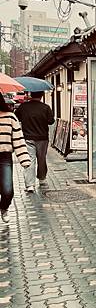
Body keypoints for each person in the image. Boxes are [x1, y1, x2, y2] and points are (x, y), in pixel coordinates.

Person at [0, 92, 31, 223]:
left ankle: (4, 207)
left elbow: (18, 139)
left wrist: (24, 158)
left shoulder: (10, 117)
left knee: (7, 191)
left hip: (4, 157)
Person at [15, 91, 54, 192]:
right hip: (42, 138)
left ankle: (30, 185)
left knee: (30, 160)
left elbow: (16, 118)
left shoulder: (23, 107)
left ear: (31, 95)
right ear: (41, 96)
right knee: (41, 159)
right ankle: (42, 179)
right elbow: (51, 121)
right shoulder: (45, 107)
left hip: (27, 137)